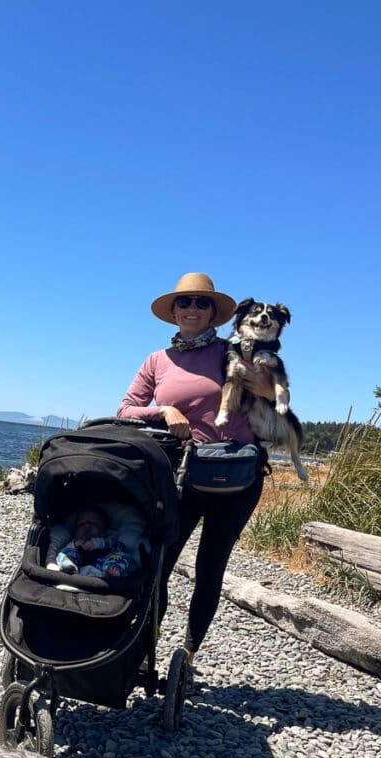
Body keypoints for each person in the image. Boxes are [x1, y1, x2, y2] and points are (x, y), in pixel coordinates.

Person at [117, 272, 273, 668]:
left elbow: (271, 395)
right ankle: (142, 648)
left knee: (209, 569)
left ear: (214, 314)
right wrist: (163, 410)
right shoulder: (157, 360)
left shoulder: (233, 351)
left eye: (201, 303)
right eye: (184, 302)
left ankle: (187, 654)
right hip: (180, 477)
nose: (192, 308)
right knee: (159, 567)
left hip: (235, 478)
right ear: (173, 311)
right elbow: (125, 410)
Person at [54, 506, 133, 578]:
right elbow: (63, 552)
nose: (87, 526)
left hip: (105, 567)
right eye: (81, 524)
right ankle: (68, 566)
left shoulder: (108, 537)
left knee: (121, 554)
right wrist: (74, 545)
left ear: (105, 528)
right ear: (75, 530)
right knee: (64, 554)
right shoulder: (74, 541)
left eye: (94, 523)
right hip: (80, 570)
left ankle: (112, 570)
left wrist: (101, 543)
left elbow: (118, 546)